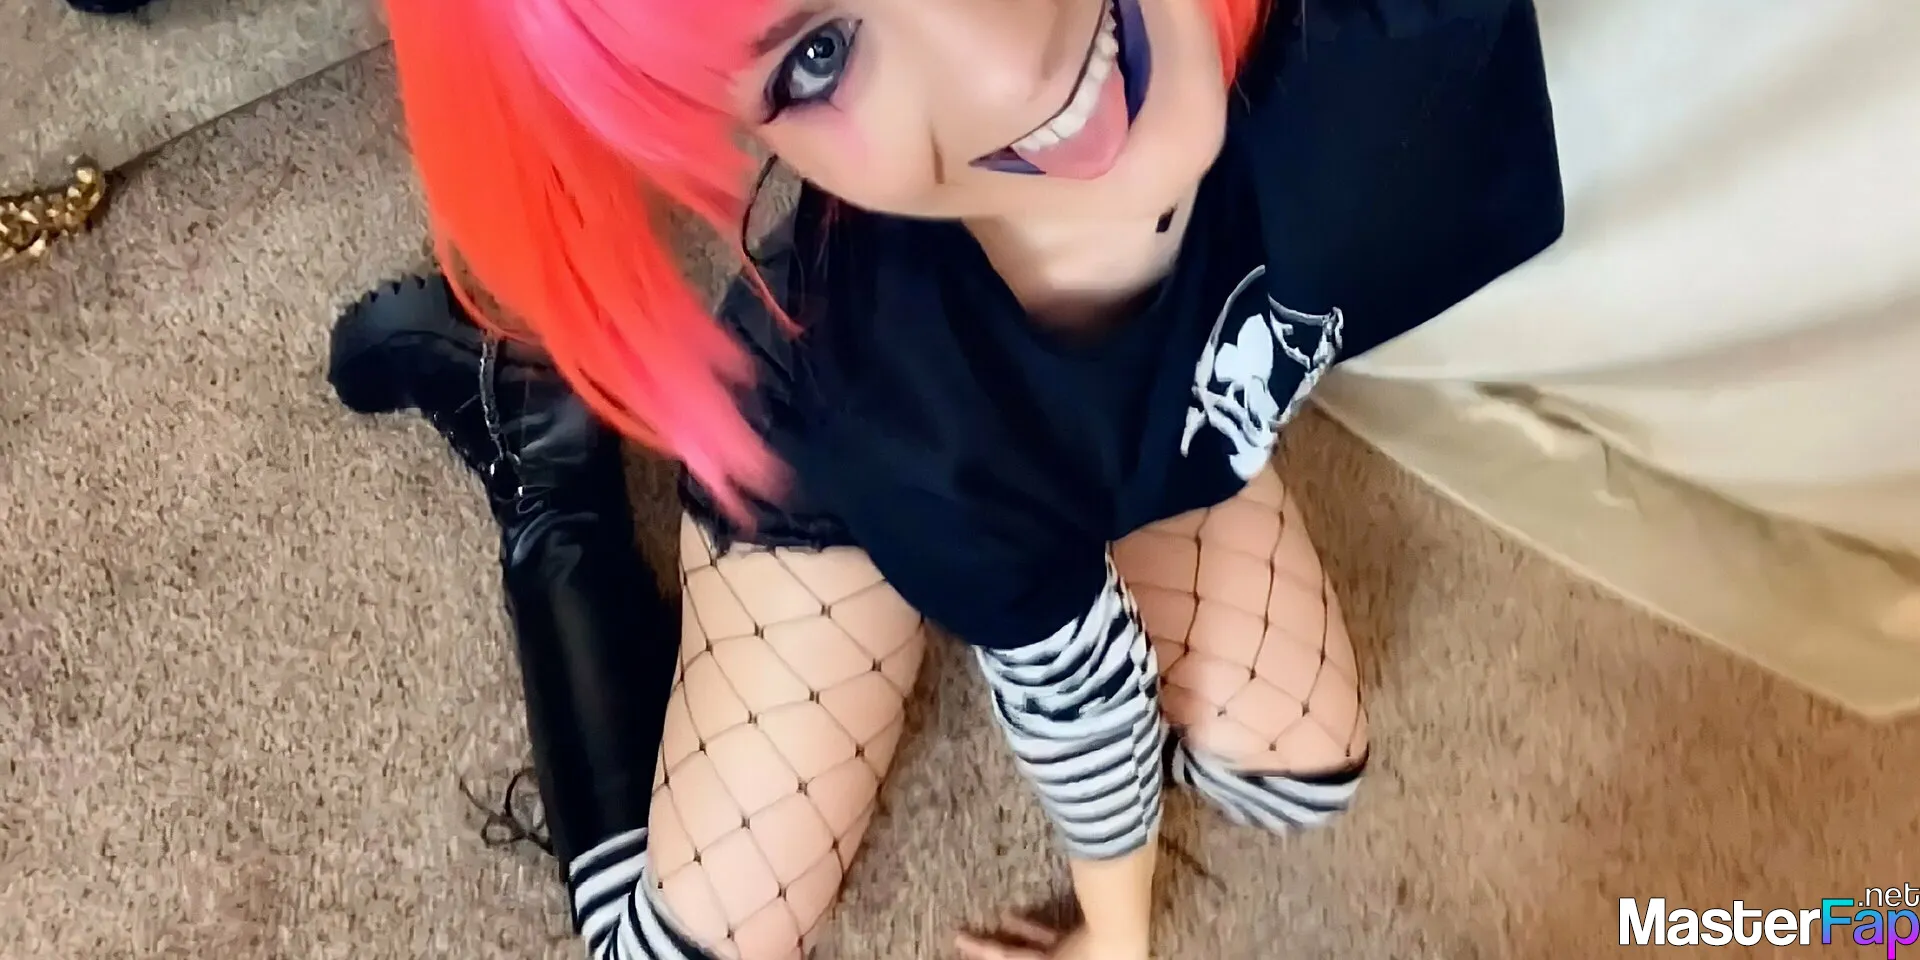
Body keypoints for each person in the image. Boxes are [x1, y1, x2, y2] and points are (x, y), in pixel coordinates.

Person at [335, 0, 1566, 957]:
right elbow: (1070, 687)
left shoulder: (1383, 56)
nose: (1014, 68)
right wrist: (1118, 934)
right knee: (664, 946)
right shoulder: (885, 396)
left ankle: (1096, 449)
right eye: (817, 56)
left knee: (1296, 777)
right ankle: (538, 453)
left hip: (1091, 419)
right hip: (848, 458)